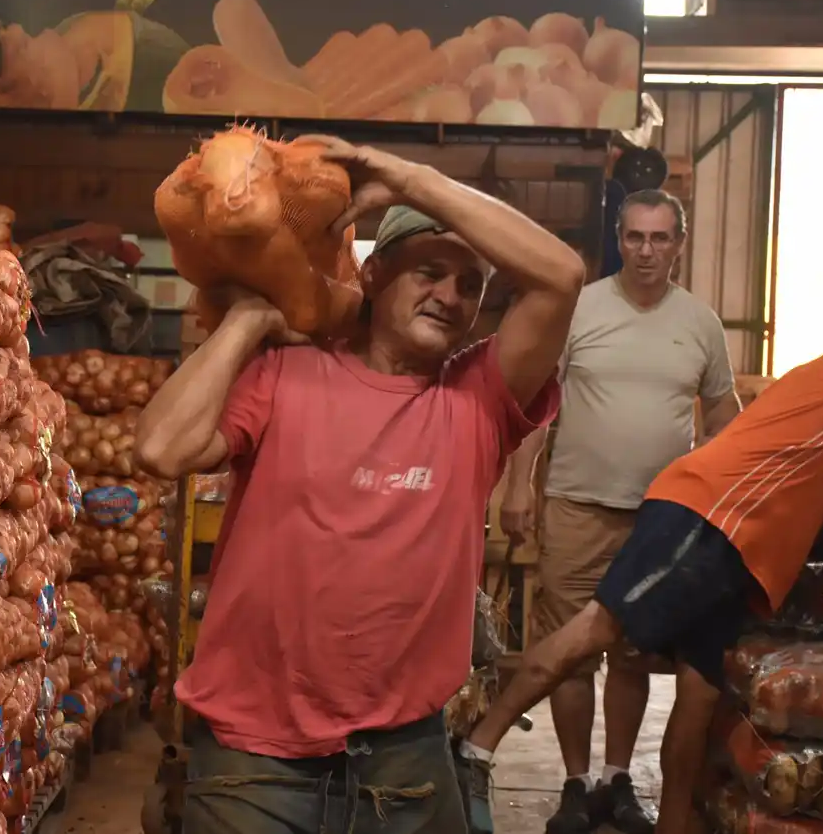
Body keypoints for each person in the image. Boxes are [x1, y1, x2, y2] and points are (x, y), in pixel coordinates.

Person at [135, 136, 584, 834]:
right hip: (254, 756)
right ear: (373, 277)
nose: (450, 295)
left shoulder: (477, 400)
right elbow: (161, 446)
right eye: (429, 272)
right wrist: (251, 318)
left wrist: (408, 179)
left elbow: (562, 274)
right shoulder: (286, 373)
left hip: (403, 757)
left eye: (471, 285)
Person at [465, 282, 823, 834]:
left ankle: (673, 824)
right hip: (707, 517)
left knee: (701, 690)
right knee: (596, 630)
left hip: (739, 547)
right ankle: (479, 749)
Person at [500, 189, 739, 834]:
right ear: (619, 239)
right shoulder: (579, 310)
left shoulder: (701, 323)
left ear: (679, 245)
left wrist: (708, 475)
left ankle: (616, 778)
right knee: (570, 653)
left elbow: (722, 410)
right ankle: (576, 784)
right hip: (576, 506)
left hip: (660, 518)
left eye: (660, 238)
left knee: (631, 653)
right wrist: (519, 486)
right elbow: (533, 409)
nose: (647, 251)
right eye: (635, 237)